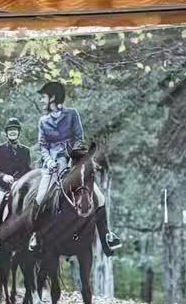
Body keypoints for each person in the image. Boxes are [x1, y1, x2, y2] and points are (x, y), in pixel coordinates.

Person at [35, 80, 122, 255]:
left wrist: (73, 158)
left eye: (44, 97)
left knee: (99, 198)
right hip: (52, 166)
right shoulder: (43, 121)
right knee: (40, 198)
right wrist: (50, 161)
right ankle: (37, 237)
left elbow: (79, 138)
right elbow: (43, 146)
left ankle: (106, 237)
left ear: (53, 97)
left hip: (74, 162)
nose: (42, 100)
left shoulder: (72, 114)